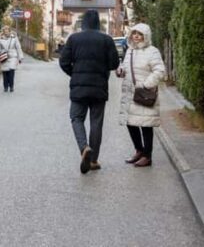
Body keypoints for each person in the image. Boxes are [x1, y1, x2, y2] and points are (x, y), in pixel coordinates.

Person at [59, 9, 120, 174]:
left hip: (79, 87)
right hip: (99, 87)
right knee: (96, 122)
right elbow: (114, 64)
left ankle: (84, 147)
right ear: (98, 23)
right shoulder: (106, 40)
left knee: (76, 118)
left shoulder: (74, 39)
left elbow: (63, 62)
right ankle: (93, 160)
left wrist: (75, 74)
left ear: (83, 22)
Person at [116, 23, 166, 167]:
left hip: (144, 93)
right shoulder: (130, 51)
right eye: (134, 33)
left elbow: (160, 71)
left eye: (139, 34)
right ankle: (139, 150)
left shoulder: (152, 51)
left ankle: (147, 156)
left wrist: (146, 84)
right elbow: (125, 67)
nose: (136, 36)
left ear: (146, 36)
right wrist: (120, 71)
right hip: (130, 93)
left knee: (145, 125)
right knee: (130, 123)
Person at [0, 25, 23, 92]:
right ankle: (5, 87)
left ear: (9, 31)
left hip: (12, 57)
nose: (6, 31)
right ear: (3, 31)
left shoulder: (14, 38)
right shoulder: (1, 39)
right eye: (5, 30)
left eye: (7, 30)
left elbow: (18, 48)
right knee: (5, 73)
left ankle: (11, 86)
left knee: (11, 72)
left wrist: (20, 57)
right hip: (4, 56)